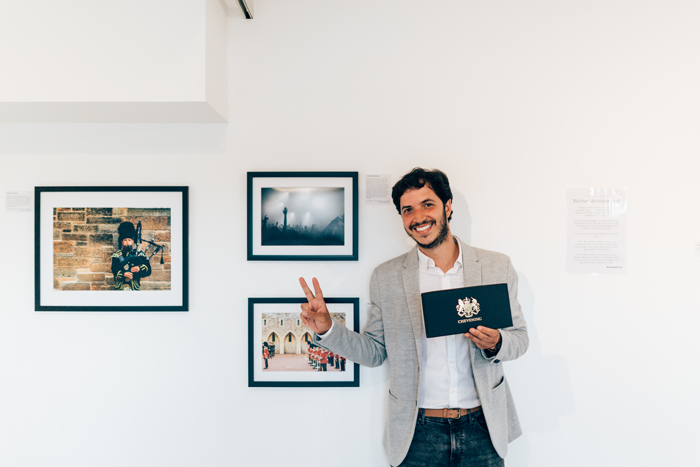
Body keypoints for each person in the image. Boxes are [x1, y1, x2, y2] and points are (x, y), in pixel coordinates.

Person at [299, 168, 528, 467]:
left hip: (483, 427)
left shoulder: (497, 266)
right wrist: (329, 329)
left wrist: (496, 342)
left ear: (447, 206)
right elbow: (375, 351)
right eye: (408, 210)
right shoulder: (386, 277)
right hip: (417, 433)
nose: (418, 217)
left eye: (427, 204)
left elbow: (520, 339)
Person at [111, 221, 152, 290]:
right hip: (120, 287)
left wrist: (139, 269)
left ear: (133, 241)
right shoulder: (117, 255)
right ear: (122, 242)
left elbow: (148, 270)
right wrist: (123, 274)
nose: (127, 242)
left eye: (129, 240)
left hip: (134, 287)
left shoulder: (139, 254)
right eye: (125, 240)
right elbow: (114, 269)